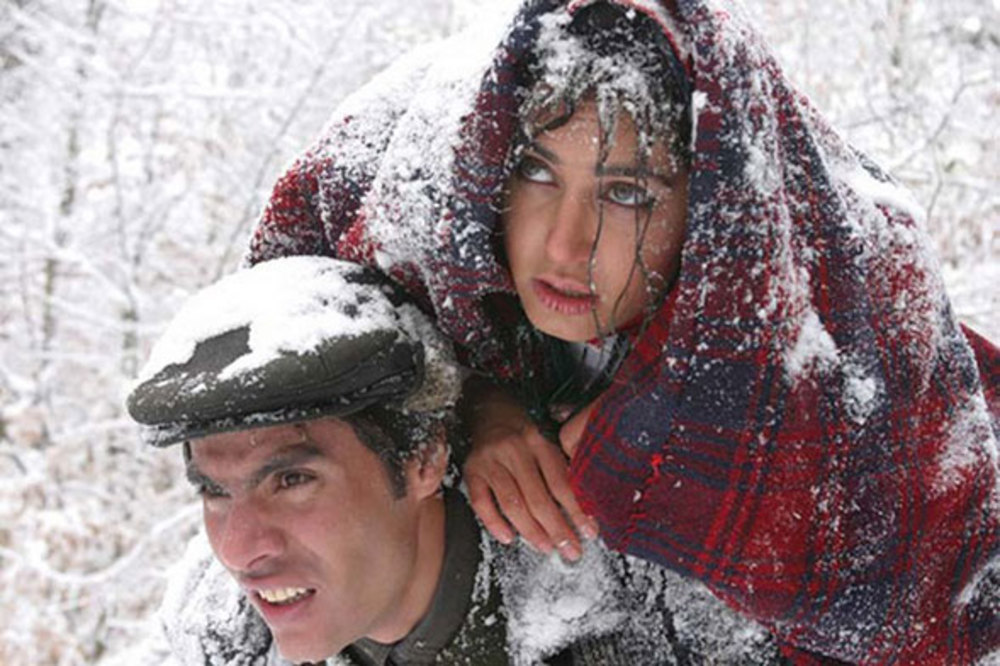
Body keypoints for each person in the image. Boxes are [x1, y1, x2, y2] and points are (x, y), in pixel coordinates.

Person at [244, 1, 1000, 663]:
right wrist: (471, 402)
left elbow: (933, 599)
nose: (567, 243)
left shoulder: (836, 333)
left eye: (628, 194)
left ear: (708, 209)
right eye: (538, 172)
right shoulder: (420, 204)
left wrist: (668, 430)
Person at [123, 255, 777, 665]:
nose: (239, 549)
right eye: (214, 492)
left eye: (292, 479)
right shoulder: (216, 630)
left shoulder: (650, 610)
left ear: (424, 459)